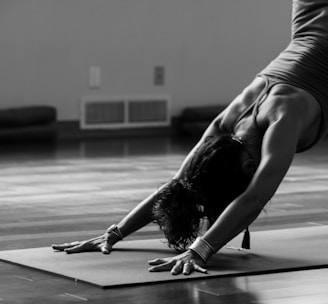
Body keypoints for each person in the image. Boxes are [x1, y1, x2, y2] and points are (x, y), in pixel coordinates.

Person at [52, 0, 328, 276]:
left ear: (247, 169)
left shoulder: (278, 121)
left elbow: (255, 198)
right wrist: (114, 233)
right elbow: (178, 186)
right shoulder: (225, 126)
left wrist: (200, 250)